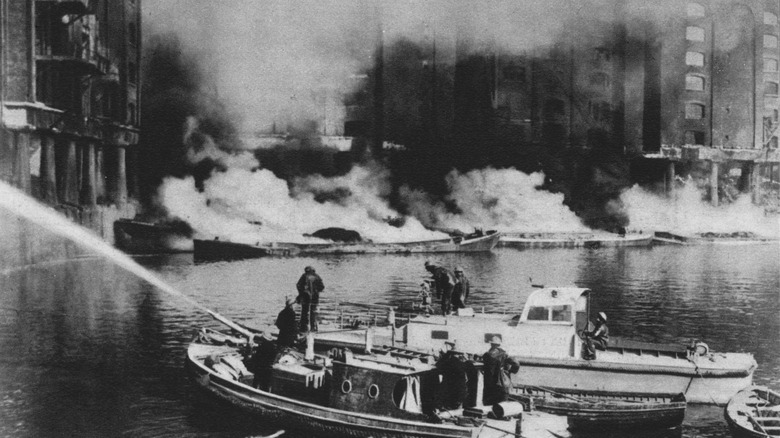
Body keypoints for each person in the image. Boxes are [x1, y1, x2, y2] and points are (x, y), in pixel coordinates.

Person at [482, 336, 519, 406]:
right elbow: (516, 363)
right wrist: (510, 371)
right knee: (502, 407)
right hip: (503, 386)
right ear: (498, 345)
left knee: (490, 407)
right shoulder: (504, 354)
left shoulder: (487, 355)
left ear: (491, 344)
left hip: (491, 386)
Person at [435, 341, 471, 410]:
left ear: (450, 353)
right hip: (460, 394)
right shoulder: (462, 364)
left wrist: (445, 355)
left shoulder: (447, 362)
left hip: (449, 393)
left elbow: (438, 366)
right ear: (459, 354)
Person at [296, 266, 324, 332]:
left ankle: (303, 328)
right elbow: (322, 287)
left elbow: (298, 285)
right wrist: (316, 291)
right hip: (315, 297)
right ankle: (313, 328)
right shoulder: (317, 276)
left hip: (305, 297)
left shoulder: (304, 276)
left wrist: (301, 293)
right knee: (313, 312)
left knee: (304, 312)